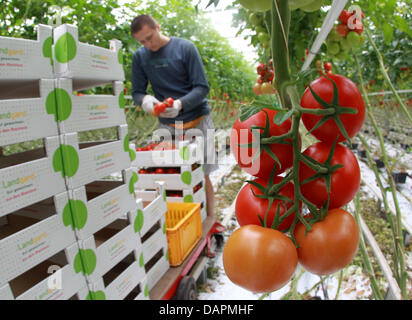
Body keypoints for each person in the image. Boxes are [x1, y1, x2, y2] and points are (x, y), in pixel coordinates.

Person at [130, 14, 217, 218]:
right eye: (142, 41)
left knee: (201, 174)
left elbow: (202, 87)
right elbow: (137, 91)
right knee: (169, 176)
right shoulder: (140, 57)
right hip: (168, 125)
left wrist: (180, 104)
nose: (148, 44)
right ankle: (178, 218)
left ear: (158, 27)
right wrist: (146, 102)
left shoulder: (185, 48)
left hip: (198, 119)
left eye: (150, 37)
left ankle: (211, 218)